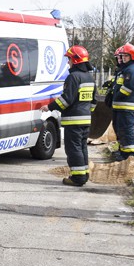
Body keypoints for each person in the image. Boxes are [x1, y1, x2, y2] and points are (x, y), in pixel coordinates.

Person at [42, 45, 96, 186]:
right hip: (86, 120)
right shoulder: (89, 78)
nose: (68, 63)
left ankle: (77, 178)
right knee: (82, 147)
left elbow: (66, 100)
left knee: (73, 149)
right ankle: (83, 175)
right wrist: (85, 112)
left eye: (69, 59)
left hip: (73, 121)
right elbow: (94, 101)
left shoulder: (73, 77)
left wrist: (49, 107)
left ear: (76, 60)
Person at [111, 43, 134, 161]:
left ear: (132, 56)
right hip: (120, 106)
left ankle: (129, 155)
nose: (123, 58)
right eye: (122, 56)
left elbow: (128, 88)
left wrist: (116, 96)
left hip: (126, 106)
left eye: (126, 56)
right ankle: (122, 151)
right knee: (120, 129)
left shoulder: (132, 69)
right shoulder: (126, 69)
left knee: (126, 130)